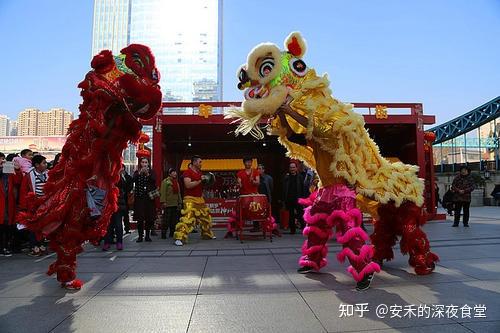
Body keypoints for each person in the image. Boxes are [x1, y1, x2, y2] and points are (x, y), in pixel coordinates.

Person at [173, 155, 215, 246]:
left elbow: (201, 185)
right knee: (188, 218)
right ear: (194, 162)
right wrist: (200, 180)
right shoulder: (187, 172)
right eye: (200, 162)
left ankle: (207, 234)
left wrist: (207, 180)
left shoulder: (200, 173)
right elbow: (188, 185)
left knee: (205, 218)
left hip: (200, 199)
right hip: (190, 199)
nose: (201, 164)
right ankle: (179, 237)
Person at [19, 155, 49, 255]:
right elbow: (23, 191)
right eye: (44, 163)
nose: (46, 164)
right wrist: (24, 206)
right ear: (37, 165)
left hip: (45, 205)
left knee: (43, 226)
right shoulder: (29, 175)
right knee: (33, 227)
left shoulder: (48, 174)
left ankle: (41, 244)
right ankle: (34, 246)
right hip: (32, 205)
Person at [102, 166, 132, 250]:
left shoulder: (120, 177)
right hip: (108, 203)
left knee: (118, 224)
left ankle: (119, 242)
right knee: (108, 225)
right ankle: (107, 242)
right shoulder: (106, 176)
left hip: (118, 203)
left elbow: (125, 186)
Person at [0, 153, 23, 256]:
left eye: (3, 159)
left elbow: (18, 181)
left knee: (7, 225)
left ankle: (5, 246)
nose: (2, 161)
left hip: (8, 203)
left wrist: (17, 169)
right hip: (2, 203)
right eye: (0, 159)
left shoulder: (8, 171)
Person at [133, 158, 157, 242]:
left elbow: (154, 180)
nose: (144, 164)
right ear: (140, 163)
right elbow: (134, 179)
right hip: (139, 198)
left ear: (148, 163)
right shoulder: (137, 172)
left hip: (149, 198)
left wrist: (147, 174)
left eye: (146, 162)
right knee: (140, 218)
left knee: (149, 218)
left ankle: (147, 235)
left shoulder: (152, 172)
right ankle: (140, 236)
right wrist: (140, 173)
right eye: (143, 162)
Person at [282, 161, 306, 234]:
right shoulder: (286, 177)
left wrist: (303, 199)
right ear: (289, 168)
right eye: (291, 167)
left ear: (296, 168)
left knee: (300, 214)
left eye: (293, 167)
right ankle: (292, 230)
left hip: (298, 198)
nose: (292, 169)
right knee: (291, 215)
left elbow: (303, 188)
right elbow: (284, 189)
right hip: (289, 199)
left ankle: (304, 229)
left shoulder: (300, 177)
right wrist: (283, 199)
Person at [237, 157, 260, 231]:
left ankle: (256, 227)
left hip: (254, 195)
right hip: (244, 195)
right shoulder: (240, 173)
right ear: (244, 163)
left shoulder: (255, 171)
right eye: (247, 162)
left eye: (250, 162)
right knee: (243, 211)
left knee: (255, 210)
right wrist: (239, 184)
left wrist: (253, 181)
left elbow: (258, 182)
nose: (248, 164)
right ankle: (240, 227)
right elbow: (239, 182)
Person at [160, 168, 182, 239]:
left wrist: (180, 202)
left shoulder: (176, 182)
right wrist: (163, 202)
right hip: (168, 204)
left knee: (174, 220)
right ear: (169, 174)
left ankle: (172, 233)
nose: (175, 173)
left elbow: (179, 193)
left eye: (175, 172)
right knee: (166, 220)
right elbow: (162, 192)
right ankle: (163, 233)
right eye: (173, 172)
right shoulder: (165, 181)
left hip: (175, 204)